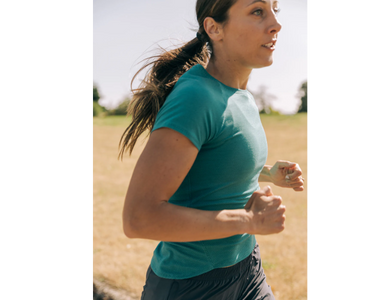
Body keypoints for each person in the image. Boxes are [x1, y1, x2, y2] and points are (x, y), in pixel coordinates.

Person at [119, 0, 304, 299]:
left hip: (247, 269)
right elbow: (139, 217)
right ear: (214, 28)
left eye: (275, 9)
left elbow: (210, 168)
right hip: (191, 286)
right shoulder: (194, 98)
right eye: (258, 11)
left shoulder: (239, 94)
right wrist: (250, 221)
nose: (276, 24)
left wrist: (267, 174)